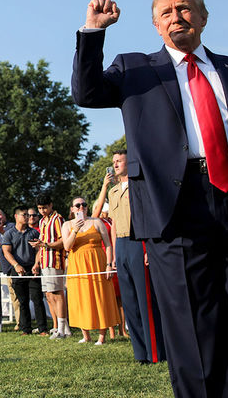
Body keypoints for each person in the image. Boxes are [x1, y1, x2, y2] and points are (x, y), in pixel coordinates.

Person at [71, 0, 228, 397]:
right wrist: (93, 31)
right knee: (191, 324)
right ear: (155, 25)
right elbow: (86, 92)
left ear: (203, 17)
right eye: (165, 13)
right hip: (173, 209)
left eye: (184, 9)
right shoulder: (134, 69)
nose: (175, 17)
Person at [102, 150, 165, 362]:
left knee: (145, 299)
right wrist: (112, 256)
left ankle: (155, 351)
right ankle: (140, 353)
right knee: (129, 302)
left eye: (119, 161)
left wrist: (148, 248)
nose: (116, 165)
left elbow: (148, 218)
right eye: (114, 162)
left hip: (138, 242)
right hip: (121, 245)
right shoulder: (112, 192)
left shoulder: (139, 186)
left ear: (129, 162)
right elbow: (112, 225)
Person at [62, 197, 119, 345]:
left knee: (100, 296)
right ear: (72, 209)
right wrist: (75, 230)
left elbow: (108, 244)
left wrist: (109, 264)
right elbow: (67, 247)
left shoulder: (96, 222)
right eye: (78, 205)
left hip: (97, 263)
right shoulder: (67, 225)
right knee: (80, 297)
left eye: (84, 204)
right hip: (77, 265)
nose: (82, 207)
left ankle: (102, 336)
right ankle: (85, 335)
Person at [2, 206, 48, 336]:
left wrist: (36, 264)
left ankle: (43, 329)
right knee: (22, 301)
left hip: (32, 269)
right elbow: (6, 252)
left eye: (28, 215)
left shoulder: (33, 233)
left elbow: (39, 249)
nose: (27, 217)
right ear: (16, 216)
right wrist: (16, 265)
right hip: (17, 270)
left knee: (37, 299)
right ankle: (25, 329)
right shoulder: (9, 234)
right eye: (24, 215)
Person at [35, 194, 70, 339]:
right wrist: (36, 262)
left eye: (44, 207)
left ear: (50, 205)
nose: (42, 211)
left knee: (57, 293)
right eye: (40, 208)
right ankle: (60, 327)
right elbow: (41, 243)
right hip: (44, 261)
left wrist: (46, 245)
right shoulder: (42, 221)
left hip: (55, 260)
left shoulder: (58, 219)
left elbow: (63, 240)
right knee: (49, 295)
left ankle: (62, 328)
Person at [0, 209, 20, 327]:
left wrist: (1, 230)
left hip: (15, 266)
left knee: (19, 295)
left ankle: (21, 322)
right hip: (5, 268)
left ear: (4, 216)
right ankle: (19, 322)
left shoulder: (12, 227)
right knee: (13, 296)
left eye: (0, 215)